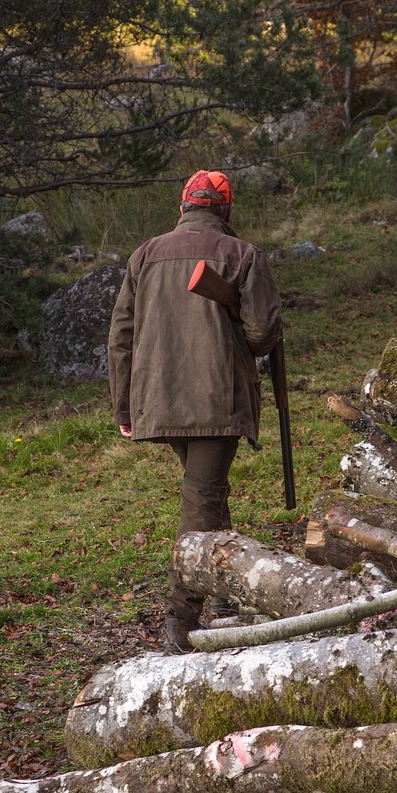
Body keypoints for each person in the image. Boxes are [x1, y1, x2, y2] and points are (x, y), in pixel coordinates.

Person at [108, 170, 283, 653]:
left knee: (206, 491)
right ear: (225, 210)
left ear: (183, 205)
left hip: (158, 400)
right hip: (215, 398)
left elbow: (121, 334)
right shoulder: (244, 255)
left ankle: (223, 592)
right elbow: (262, 334)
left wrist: (125, 406)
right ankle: (179, 619)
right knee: (201, 503)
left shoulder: (144, 254)